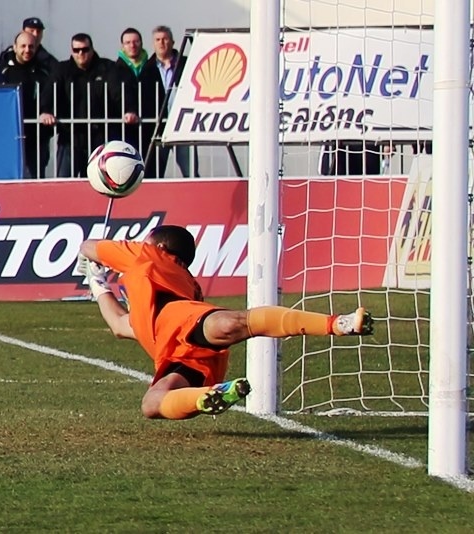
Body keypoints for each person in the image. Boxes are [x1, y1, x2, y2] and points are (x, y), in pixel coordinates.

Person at [78, 225, 373, 420]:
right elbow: (119, 325)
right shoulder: (171, 285)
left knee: (233, 324)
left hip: (180, 320)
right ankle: (207, 396)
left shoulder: (149, 255)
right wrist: (99, 284)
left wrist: (94, 260)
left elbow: (88, 245)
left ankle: (339, 323)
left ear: (160, 247)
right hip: (174, 350)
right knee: (151, 403)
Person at [39, 33, 139, 177]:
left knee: (100, 181)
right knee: (64, 183)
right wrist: (46, 111)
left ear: (92, 49)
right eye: (76, 50)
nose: (81, 54)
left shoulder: (107, 68)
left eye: (85, 50)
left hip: (101, 137)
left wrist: (129, 110)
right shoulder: (62, 70)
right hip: (71, 137)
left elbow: (119, 92)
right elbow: (49, 92)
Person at [138, 25, 198, 178]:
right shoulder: (147, 69)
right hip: (158, 127)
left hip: (182, 125)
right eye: (158, 40)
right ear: (153, 44)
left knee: (190, 172)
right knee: (154, 173)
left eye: (165, 39)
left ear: (172, 42)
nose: (161, 43)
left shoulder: (186, 64)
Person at [1, 31, 53, 178]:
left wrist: (46, 111)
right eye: (23, 46)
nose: (27, 50)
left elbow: (48, 97)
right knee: (11, 178)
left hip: (37, 136)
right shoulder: (4, 72)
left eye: (31, 46)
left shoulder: (43, 72)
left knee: (37, 178)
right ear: (15, 47)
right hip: (10, 135)